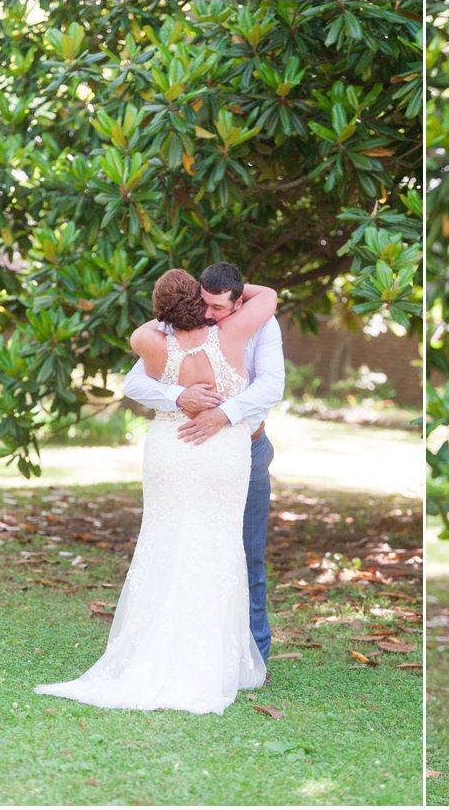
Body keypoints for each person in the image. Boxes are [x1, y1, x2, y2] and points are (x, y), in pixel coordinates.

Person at [35, 269, 277, 715]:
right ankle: (211, 661)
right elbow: (271, 294)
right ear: (202, 300)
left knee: (165, 545)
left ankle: (156, 653)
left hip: (173, 446)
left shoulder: (147, 338)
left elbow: (142, 365)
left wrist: (168, 324)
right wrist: (237, 298)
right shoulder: (234, 329)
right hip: (220, 451)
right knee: (219, 548)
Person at [122, 262, 285, 669]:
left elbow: (272, 386)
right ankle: (182, 653)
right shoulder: (189, 330)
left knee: (246, 556)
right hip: (185, 451)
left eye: (217, 306)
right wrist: (179, 396)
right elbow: (134, 383)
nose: (208, 314)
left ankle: (252, 656)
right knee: (182, 547)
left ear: (238, 299)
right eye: (202, 303)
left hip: (245, 447)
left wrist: (223, 413)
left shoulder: (258, 325)